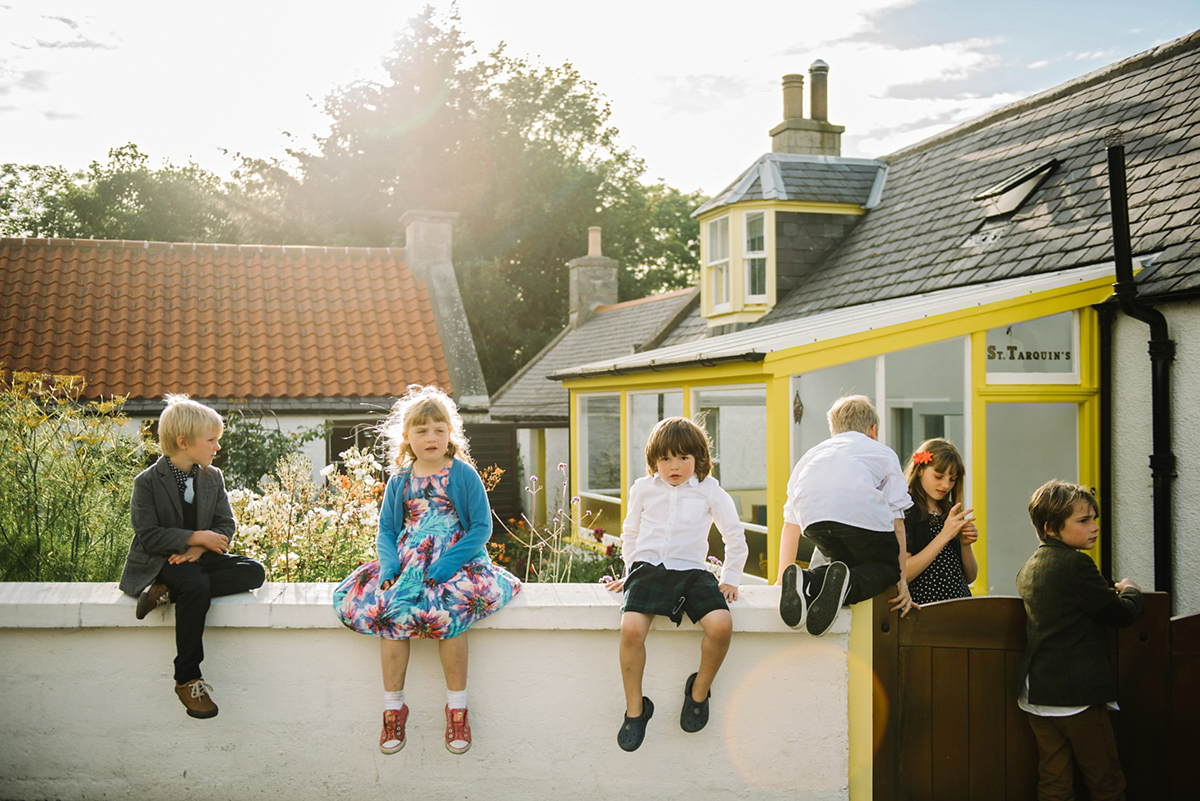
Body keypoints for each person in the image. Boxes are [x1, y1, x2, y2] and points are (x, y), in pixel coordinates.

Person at [333, 385, 520, 756]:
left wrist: (448, 564)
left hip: (457, 559)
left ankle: (457, 707)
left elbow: (481, 528)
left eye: (439, 429)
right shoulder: (401, 480)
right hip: (408, 562)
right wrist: (389, 566)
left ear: (450, 434)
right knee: (388, 610)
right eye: (421, 431)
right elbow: (386, 529)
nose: (431, 437)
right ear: (407, 437)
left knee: (451, 612)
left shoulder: (462, 474)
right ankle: (393, 708)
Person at [606, 417, 748, 752]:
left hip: (692, 572)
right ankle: (635, 710)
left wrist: (730, 578)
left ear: (698, 459)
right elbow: (631, 534)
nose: (674, 466)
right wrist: (630, 571)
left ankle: (698, 692)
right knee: (631, 630)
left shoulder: (709, 491)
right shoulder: (643, 489)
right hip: (648, 569)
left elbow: (734, 536)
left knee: (722, 626)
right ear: (654, 461)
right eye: (666, 458)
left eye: (683, 458)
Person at [120, 394, 266, 719]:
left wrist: (200, 547)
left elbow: (225, 523)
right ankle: (187, 677)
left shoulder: (212, 477)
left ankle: (170, 593)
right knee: (195, 586)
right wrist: (193, 537)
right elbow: (148, 534)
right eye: (212, 440)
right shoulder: (146, 483)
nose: (217, 447)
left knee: (253, 572)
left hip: (199, 559)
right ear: (183, 442)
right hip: (163, 561)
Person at [1013, 480, 1143, 801]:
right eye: (1084, 521)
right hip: (1076, 697)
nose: (1095, 527)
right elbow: (1120, 613)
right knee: (1106, 781)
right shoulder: (1075, 564)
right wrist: (1130, 590)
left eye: (1094, 519)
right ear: (1051, 527)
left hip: (1037, 694)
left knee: (1054, 780)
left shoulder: (1028, 568)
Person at [777, 395, 914, 637]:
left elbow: (790, 525)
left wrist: (781, 578)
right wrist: (901, 579)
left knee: (839, 567)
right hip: (859, 517)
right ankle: (848, 584)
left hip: (814, 522)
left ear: (834, 430)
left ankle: (804, 580)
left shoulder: (812, 455)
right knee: (885, 569)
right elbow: (897, 520)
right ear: (873, 429)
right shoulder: (881, 452)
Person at [902, 438, 979, 604]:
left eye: (952, 479)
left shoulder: (948, 511)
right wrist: (944, 536)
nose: (945, 485)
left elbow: (970, 577)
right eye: (938, 476)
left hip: (960, 607)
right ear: (920, 469)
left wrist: (965, 545)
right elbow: (904, 574)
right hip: (927, 611)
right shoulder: (906, 510)